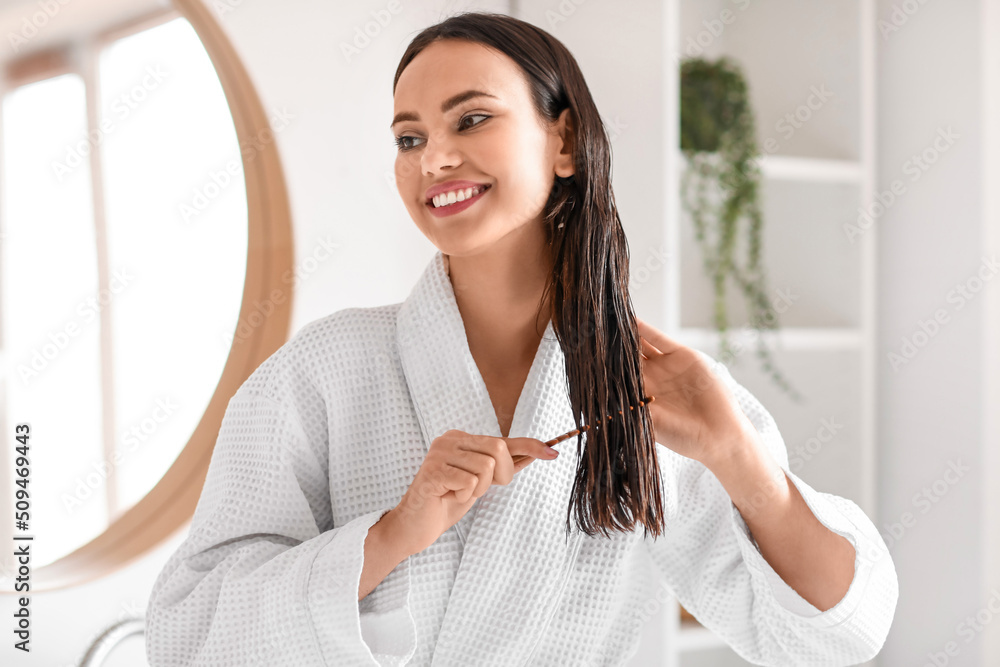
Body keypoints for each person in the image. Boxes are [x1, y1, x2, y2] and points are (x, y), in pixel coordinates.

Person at [145, 11, 898, 666]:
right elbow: (190, 634)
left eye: (470, 119)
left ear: (564, 140)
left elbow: (842, 631)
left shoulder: (645, 389)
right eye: (409, 137)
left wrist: (740, 457)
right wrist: (394, 535)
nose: (433, 158)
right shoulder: (323, 372)